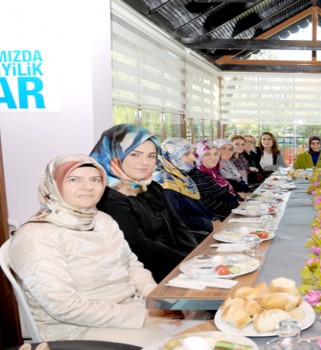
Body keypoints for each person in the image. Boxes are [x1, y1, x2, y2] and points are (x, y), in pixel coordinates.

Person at [9, 154, 181, 346]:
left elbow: (132, 266)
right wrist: (145, 315)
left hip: (131, 309)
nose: (88, 187)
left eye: (95, 179)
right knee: (188, 341)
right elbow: (65, 307)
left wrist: (156, 299)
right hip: (78, 330)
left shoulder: (102, 220)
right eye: (74, 179)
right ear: (53, 185)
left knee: (202, 322)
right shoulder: (35, 236)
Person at [91, 124, 197, 282]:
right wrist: (188, 265)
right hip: (145, 275)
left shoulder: (151, 186)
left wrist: (196, 255)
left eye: (151, 156)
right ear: (113, 156)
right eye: (135, 155)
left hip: (177, 263)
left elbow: (177, 224)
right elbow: (139, 247)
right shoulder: (107, 197)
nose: (145, 162)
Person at [153, 137, 222, 236]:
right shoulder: (165, 183)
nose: (193, 158)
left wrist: (215, 218)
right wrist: (210, 224)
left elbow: (200, 208)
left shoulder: (182, 176)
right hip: (190, 237)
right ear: (170, 157)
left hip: (204, 229)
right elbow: (177, 218)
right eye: (186, 154)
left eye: (193, 153)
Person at [189, 140, 241, 219]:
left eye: (216, 154)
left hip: (233, 213)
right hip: (222, 219)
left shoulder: (214, 173)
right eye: (206, 154)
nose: (213, 158)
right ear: (197, 156)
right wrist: (237, 209)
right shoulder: (196, 176)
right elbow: (208, 203)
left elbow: (229, 193)